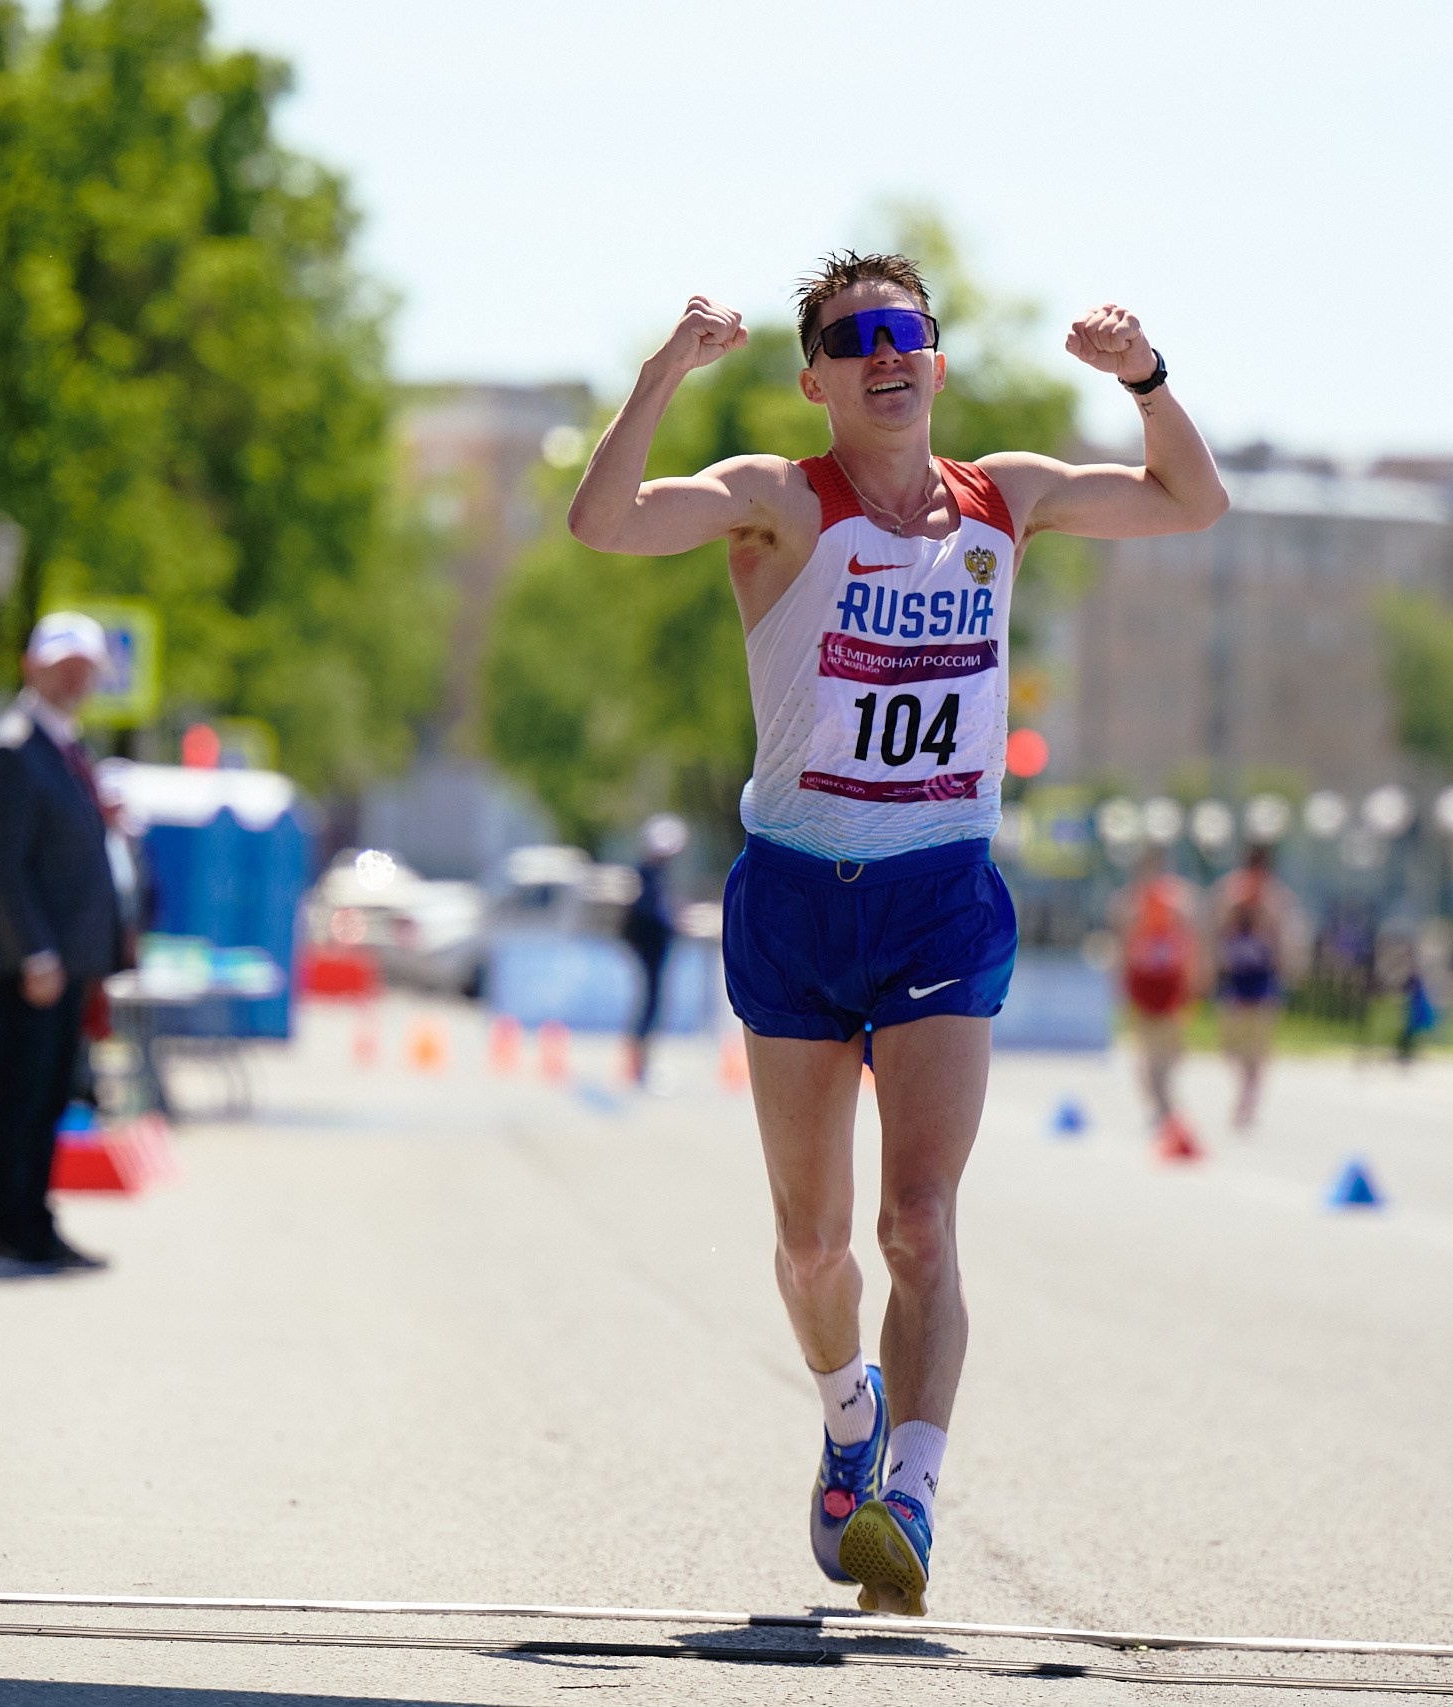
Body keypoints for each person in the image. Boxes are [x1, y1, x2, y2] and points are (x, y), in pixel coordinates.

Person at [566, 253, 1224, 1614]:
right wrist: (662, 374)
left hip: (938, 885)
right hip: (799, 893)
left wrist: (1144, 377)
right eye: (853, 338)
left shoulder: (1009, 496)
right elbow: (606, 521)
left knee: (919, 1222)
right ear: (814, 379)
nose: (884, 354)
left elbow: (1189, 500)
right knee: (815, 1249)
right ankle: (847, 1415)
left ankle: (909, 1495)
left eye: (904, 333)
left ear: (935, 360)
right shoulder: (777, 502)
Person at [0, 613, 120, 1277]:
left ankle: (34, 1218)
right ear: (32, 666)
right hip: (34, 965)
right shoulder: (13, 747)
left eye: (85, 666)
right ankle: (9, 1225)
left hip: (68, 961)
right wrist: (37, 952)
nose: (76, 677)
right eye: (64, 664)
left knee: (49, 1096)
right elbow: (5, 864)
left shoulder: (66, 748)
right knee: (19, 1094)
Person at [1116, 847, 1203, 1143]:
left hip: (1169, 985)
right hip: (1145, 985)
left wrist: (1193, 981)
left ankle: (1164, 1104)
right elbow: (1124, 947)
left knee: (1167, 1053)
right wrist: (1122, 982)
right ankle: (1161, 1106)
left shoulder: (1177, 900)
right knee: (1147, 1053)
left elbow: (1189, 944)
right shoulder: (1133, 903)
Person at [1210, 843, 1298, 1129]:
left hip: (1262, 979)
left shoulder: (1276, 896)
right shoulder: (1230, 890)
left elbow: (1284, 938)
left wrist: (1266, 916)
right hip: (1236, 977)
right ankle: (1245, 1085)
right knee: (1230, 1046)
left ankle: (1248, 1099)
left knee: (1258, 1048)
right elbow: (1216, 929)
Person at [622, 812, 687, 1088]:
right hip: (652, 946)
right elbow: (652, 913)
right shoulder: (649, 878)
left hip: (649, 946)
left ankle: (641, 1065)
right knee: (650, 1004)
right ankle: (640, 1068)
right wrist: (674, 924)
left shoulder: (648, 875)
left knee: (650, 1003)